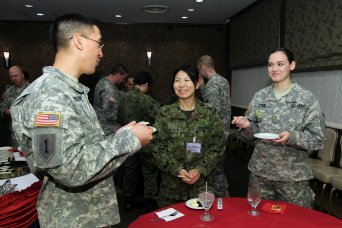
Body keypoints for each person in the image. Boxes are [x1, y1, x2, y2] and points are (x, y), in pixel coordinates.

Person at [10, 13, 153, 227]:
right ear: (78, 40)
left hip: (86, 215)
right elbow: (69, 170)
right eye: (99, 43)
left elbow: (78, 148)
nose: (101, 53)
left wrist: (118, 136)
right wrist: (130, 140)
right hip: (73, 219)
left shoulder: (68, 91)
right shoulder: (50, 95)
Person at [232, 47, 325, 208]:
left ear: (292, 65)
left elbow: (318, 140)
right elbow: (250, 136)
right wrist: (246, 127)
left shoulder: (306, 99)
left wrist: (292, 137)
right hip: (260, 173)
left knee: (296, 222)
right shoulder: (260, 97)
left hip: (293, 177)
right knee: (259, 219)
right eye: (270, 65)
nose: (274, 69)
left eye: (280, 64)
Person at [151, 64, 225, 208]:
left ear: (196, 84)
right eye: (177, 80)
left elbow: (216, 147)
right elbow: (157, 148)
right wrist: (178, 169)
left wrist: (199, 169)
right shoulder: (164, 114)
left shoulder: (210, 113)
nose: (181, 85)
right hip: (171, 190)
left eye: (187, 80)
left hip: (201, 188)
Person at [118, 71, 161, 212]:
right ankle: (150, 202)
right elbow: (161, 116)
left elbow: (119, 118)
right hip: (146, 141)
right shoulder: (146, 99)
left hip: (129, 140)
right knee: (149, 171)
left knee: (130, 170)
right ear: (146, 85)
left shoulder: (123, 98)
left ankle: (128, 200)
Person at [197, 55, 231, 197]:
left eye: (199, 70)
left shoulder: (211, 85)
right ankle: (224, 191)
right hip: (225, 131)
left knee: (215, 168)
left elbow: (212, 111)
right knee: (219, 166)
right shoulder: (223, 81)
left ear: (203, 68)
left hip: (216, 134)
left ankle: (221, 196)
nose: (199, 73)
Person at [93, 63, 128, 135]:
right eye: (123, 78)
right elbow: (109, 113)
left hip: (98, 123)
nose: (123, 81)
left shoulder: (102, 81)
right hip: (107, 127)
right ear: (118, 74)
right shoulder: (109, 89)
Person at [0, 65, 30, 147]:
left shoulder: (33, 89)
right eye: (11, 76)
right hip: (15, 136)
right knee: (17, 158)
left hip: (31, 134)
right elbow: (2, 109)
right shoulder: (8, 93)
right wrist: (6, 112)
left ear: (22, 75)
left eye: (16, 75)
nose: (13, 78)